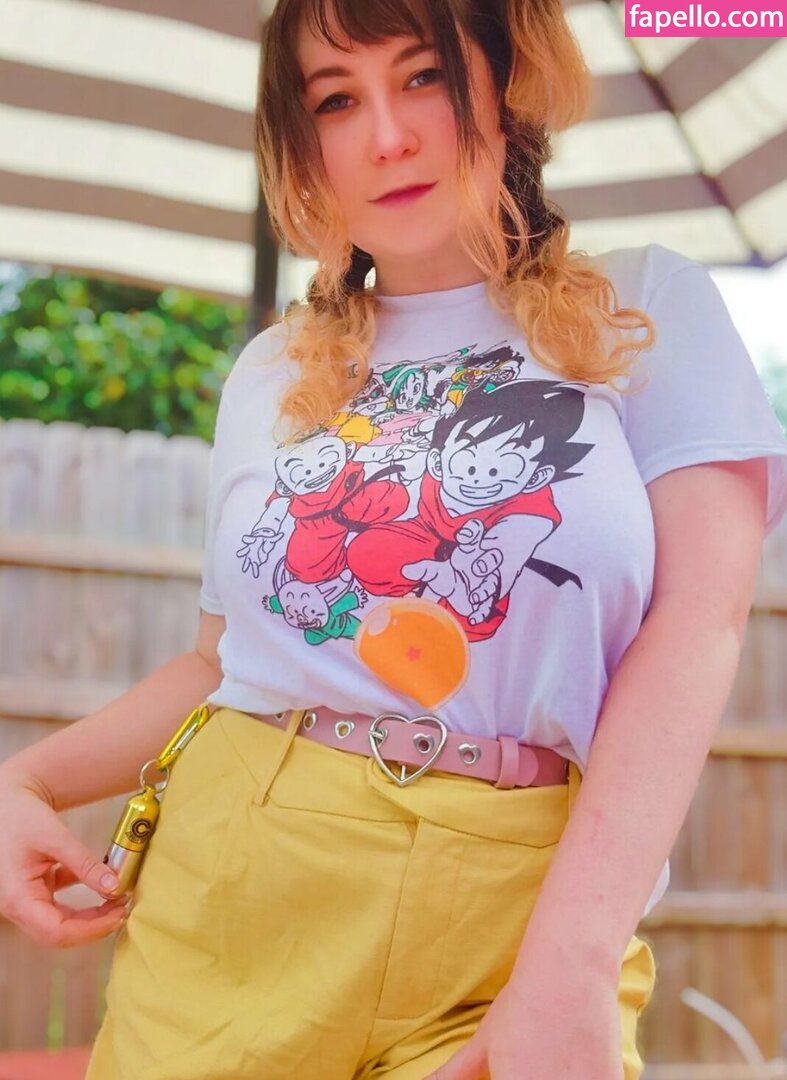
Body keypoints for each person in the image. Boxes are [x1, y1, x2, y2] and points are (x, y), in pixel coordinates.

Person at [1, 0, 786, 1077]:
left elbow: (698, 620)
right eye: (335, 100)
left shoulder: (646, 306)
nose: (385, 135)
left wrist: (571, 959)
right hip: (242, 877)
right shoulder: (271, 371)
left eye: (422, 77)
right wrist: (27, 781)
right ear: (303, 146)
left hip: (516, 901)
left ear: (504, 88)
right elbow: (219, 664)